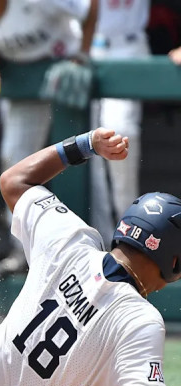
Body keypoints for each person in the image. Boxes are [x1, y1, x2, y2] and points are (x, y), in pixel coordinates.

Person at [0, 127, 181, 386]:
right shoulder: (140, 319)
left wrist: (85, 145)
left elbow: (14, 180)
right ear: (173, 263)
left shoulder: (71, 239)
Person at [0, 0, 98, 275]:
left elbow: (89, 6)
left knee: (92, 163)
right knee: (15, 160)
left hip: (67, 69)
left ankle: (98, 253)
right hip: (27, 82)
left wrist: (82, 54)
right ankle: (22, 251)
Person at [89, 0, 150, 241]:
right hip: (86, 46)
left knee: (118, 131)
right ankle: (101, 239)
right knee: (88, 151)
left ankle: (129, 231)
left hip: (129, 45)